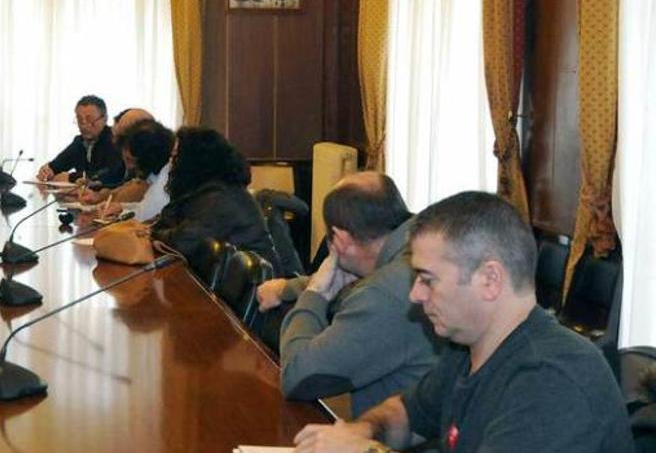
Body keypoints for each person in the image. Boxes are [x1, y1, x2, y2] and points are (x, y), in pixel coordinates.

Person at [294, 192, 633, 453]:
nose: (415, 294)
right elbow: (408, 412)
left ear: (489, 280)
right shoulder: (468, 348)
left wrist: (365, 450)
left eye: (428, 279)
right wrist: (363, 431)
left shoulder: (552, 380)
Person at [260, 172, 441, 417]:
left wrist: (314, 295)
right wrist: (288, 288)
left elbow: (297, 377)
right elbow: (350, 284)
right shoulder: (427, 245)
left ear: (341, 241)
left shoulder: (383, 294)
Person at [148, 127, 281, 276]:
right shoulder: (205, 191)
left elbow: (184, 241)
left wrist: (152, 233)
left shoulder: (222, 198)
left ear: (194, 161)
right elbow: (170, 220)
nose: (171, 164)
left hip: (258, 291)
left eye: (176, 157)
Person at [36, 95, 125, 186]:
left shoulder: (114, 140)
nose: (84, 125)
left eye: (90, 120)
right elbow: (56, 166)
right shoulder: (79, 142)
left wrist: (73, 177)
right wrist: (47, 171)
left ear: (105, 119)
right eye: (79, 120)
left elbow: (113, 173)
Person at [77, 107, 155, 205]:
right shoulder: (135, 165)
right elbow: (124, 185)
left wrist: (104, 199)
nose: (116, 144)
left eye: (123, 139)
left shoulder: (158, 171)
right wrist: (99, 196)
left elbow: (134, 195)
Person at [102, 119, 174, 221]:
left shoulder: (166, 176)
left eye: (132, 161)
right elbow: (145, 206)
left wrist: (120, 212)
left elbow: (146, 217)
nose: (131, 167)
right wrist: (121, 207)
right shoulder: (158, 173)